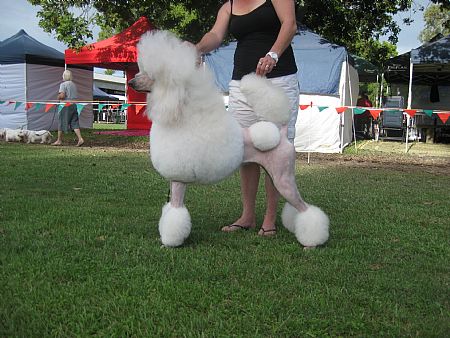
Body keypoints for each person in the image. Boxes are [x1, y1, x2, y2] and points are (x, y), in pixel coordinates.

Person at [195, 0, 299, 236]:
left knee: (275, 150)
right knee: (246, 152)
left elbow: (290, 25)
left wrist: (273, 54)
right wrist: (198, 47)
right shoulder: (228, 6)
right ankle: (247, 216)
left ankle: (270, 219)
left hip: (278, 81)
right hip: (240, 85)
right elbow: (215, 35)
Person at [52, 69, 84, 146]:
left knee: (61, 122)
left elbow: (62, 96)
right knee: (74, 122)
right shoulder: (74, 84)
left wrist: (58, 96)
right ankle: (80, 138)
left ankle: (59, 140)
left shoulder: (63, 85)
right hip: (74, 105)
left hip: (65, 106)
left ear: (64, 76)